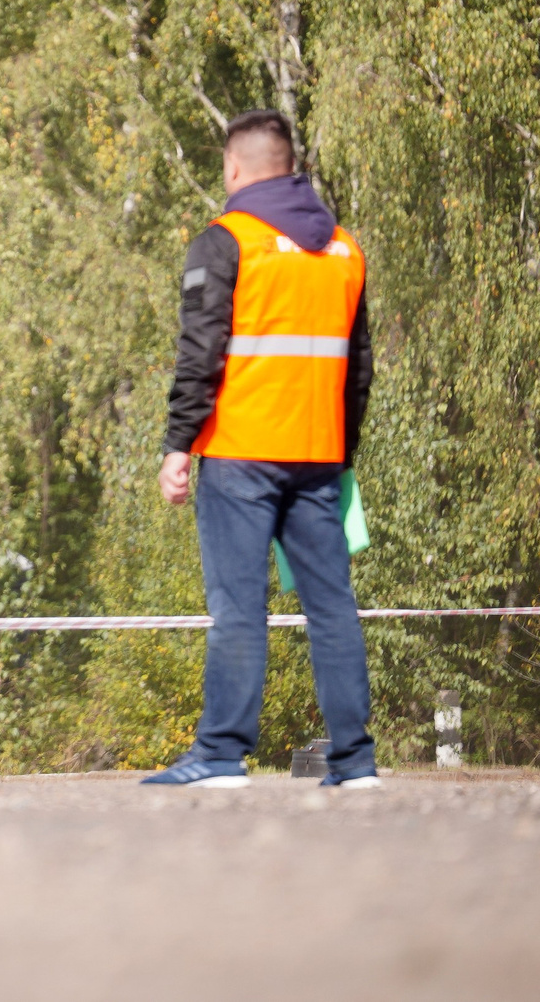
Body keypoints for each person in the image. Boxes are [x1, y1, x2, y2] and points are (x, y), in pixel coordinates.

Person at [144, 110, 378, 790]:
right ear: (290, 164)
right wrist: (343, 453)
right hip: (318, 456)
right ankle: (355, 763)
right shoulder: (345, 251)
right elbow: (358, 370)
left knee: (239, 607)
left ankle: (220, 754)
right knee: (332, 605)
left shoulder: (225, 243)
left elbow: (200, 356)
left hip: (241, 453)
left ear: (235, 169)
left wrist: (177, 446)